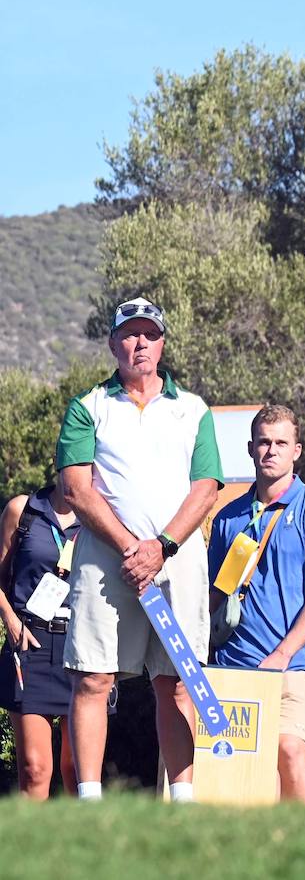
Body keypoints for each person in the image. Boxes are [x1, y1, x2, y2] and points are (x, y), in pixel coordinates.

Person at [56, 297, 223, 802]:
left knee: (176, 681)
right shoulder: (88, 407)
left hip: (177, 563)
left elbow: (207, 487)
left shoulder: (193, 409)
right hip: (108, 565)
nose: (140, 343)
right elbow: (76, 489)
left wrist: (163, 546)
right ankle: (90, 802)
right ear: (113, 344)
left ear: (163, 343)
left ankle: (183, 801)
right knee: (93, 679)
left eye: (149, 334)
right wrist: (133, 549)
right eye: (129, 334)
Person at [208, 404, 305, 803]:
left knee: (288, 748)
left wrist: (283, 654)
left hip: (297, 663)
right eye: (264, 442)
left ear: (297, 451)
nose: (271, 450)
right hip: (235, 665)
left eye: (280, 443)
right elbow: (215, 595)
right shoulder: (226, 519)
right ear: (250, 448)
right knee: (250, 768)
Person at [0, 481, 98, 798]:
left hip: (83, 646)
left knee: (77, 772)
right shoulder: (23, 510)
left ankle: (76, 846)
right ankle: (28, 847)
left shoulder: (103, 515)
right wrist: (11, 622)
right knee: (34, 769)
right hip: (30, 646)